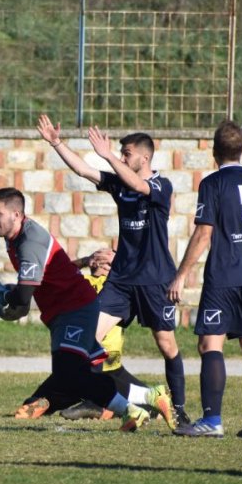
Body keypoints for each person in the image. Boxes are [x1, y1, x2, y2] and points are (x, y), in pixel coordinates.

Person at [37, 114, 189, 426]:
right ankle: (100, 399)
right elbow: (83, 170)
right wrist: (57, 144)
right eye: (120, 153)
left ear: (144, 157)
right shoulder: (120, 183)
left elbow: (137, 183)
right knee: (88, 341)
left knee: (167, 345)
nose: (121, 157)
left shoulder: (161, 185)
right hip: (120, 282)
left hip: (154, 281)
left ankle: (179, 408)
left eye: (126, 153)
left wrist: (107, 155)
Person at [0, 187, 172, 433]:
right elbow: (30, 292)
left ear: (17, 214)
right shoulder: (16, 238)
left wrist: (6, 299)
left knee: (70, 373)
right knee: (80, 372)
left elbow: (22, 296)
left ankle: (130, 409)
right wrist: (12, 302)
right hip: (64, 312)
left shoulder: (29, 241)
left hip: (75, 309)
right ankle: (148, 395)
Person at [167, 119, 242, 438]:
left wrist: (180, 276)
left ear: (214, 151)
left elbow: (204, 233)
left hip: (224, 278)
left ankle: (212, 420)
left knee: (210, 344)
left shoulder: (212, 184)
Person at [54, 254, 173, 422]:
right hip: (99, 361)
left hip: (108, 359)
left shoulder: (118, 288)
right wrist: (85, 260)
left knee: (81, 379)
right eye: (99, 258)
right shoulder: (83, 281)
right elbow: (59, 273)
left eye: (108, 261)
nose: (102, 264)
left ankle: (99, 405)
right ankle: (107, 404)